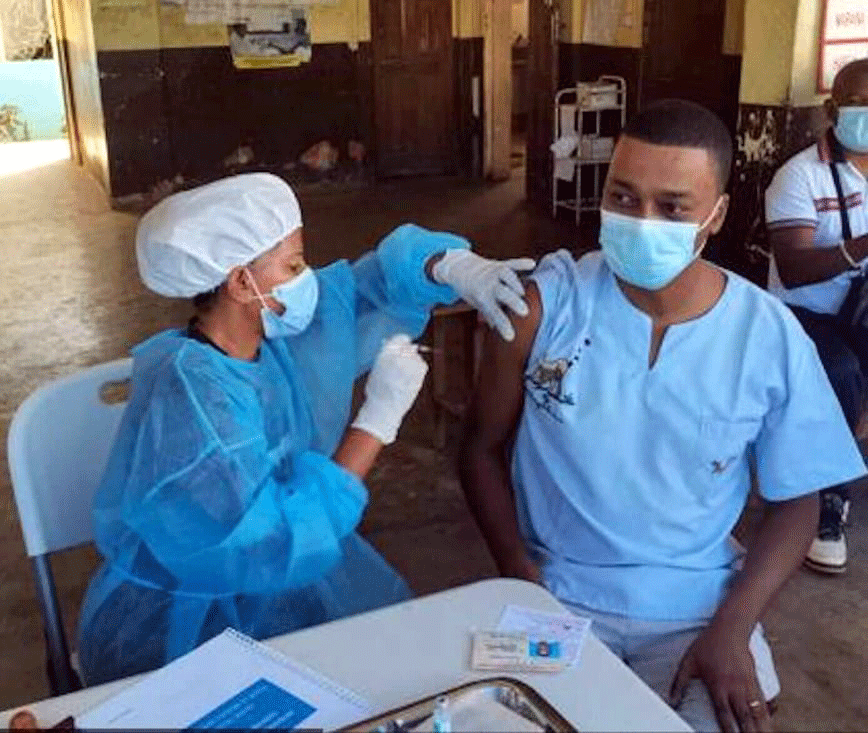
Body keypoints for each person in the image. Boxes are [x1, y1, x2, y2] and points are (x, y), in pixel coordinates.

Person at [460, 100, 867, 733]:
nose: (641, 222)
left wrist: (734, 628)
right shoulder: (546, 307)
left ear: (716, 215)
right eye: (623, 197)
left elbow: (798, 500)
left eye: (672, 207)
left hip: (696, 608)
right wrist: (519, 574)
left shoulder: (766, 335)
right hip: (556, 594)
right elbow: (480, 450)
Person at [78, 172, 535, 685]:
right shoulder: (193, 394)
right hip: (189, 625)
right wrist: (377, 420)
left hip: (284, 581)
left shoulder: (265, 338)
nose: (307, 280)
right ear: (240, 282)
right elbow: (271, 543)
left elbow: (365, 289)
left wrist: (447, 265)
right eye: (293, 266)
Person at [765, 58, 868, 574]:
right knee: (841, 370)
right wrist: (861, 246)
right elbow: (795, 268)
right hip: (806, 312)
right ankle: (829, 502)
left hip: (863, 307)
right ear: (832, 109)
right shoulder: (799, 175)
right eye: (860, 104)